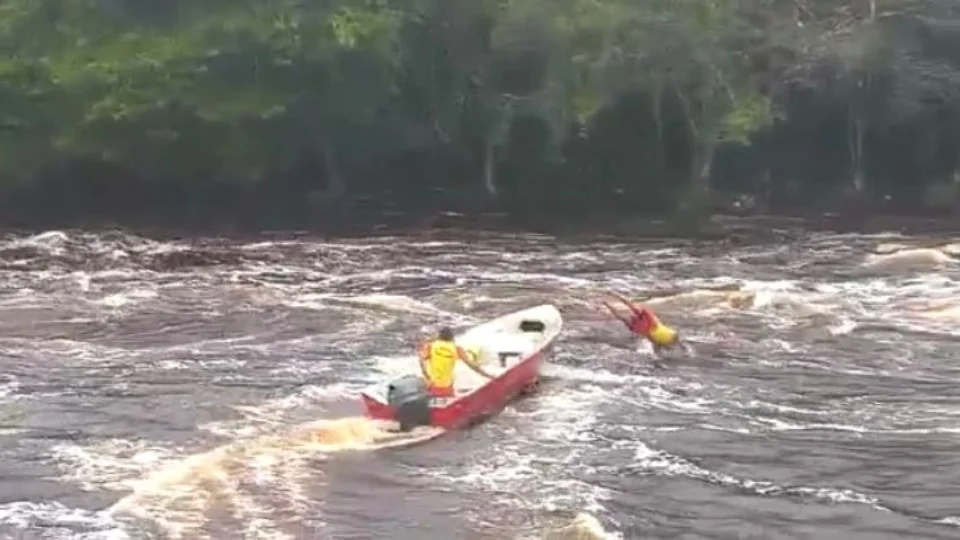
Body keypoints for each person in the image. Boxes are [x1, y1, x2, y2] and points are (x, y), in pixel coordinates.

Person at [418, 327, 495, 398]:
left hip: (431, 386)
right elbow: (472, 365)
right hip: (446, 388)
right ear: (452, 338)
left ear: (439, 337)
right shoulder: (456, 348)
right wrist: (488, 375)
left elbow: (421, 360)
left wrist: (426, 375)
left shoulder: (430, 346)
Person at [601, 291, 680, 352]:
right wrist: (608, 303)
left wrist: (612, 298)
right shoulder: (638, 324)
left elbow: (626, 307)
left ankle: (607, 302)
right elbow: (624, 311)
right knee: (626, 314)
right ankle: (607, 303)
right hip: (656, 332)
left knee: (628, 310)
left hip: (656, 330)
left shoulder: (640, 323)